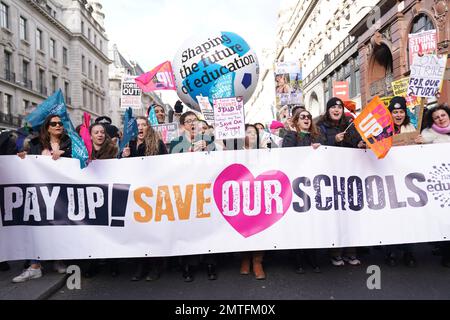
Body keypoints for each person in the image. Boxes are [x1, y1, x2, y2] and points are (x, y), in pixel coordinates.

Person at [13, 115, 71, 283]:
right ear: (47, 127)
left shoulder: (69, 142)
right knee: (36, 227)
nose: (58, 125)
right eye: (54, 123)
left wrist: (64, 154)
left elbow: (79, 159)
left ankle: (58, 260)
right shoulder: (35, 144)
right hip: (39, 193)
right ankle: (34, 266)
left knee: (59, 226)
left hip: (62, 194)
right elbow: (29, 162)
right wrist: (24, 157)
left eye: (60, 123)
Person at [317, 97, 365, 267]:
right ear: (328, 110)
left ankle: (351, 252)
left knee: (352, 214)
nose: (337, 110)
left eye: (339, 107)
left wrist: (360, 143)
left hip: (350, 175)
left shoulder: (350, 124)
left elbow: (356, 141)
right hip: (332, 176)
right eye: (333, 107)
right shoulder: (320, 126)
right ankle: (336, 253)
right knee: (336, 215)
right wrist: (332, 141)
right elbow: (318, 146)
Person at [170, 112, 217, 282]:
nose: (191, 124)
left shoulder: (208, 140)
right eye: (188, 121)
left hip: (206, 189)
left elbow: (218, 162)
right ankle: (188, 264)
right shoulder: (176, 142)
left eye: (194, 121)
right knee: (188, 228)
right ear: (182, 125)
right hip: (186, 190)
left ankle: (210, 263)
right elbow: (171, 166)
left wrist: (208, 149)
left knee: (207, 226)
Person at [121, 116, 168, 281]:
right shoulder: (128, 144)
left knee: (153, 231)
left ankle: (156, 266)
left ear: (148, 127)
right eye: (137, 125)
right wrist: (124, 156)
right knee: (138, 233)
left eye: (143, 124)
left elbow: (166, 167)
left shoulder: (158, 144)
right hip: (134, 196)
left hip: (152, 194)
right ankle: (141, 265)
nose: (140, 127)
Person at [282, 110, 324, 273]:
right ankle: (297, 257)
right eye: (302, 117)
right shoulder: (291, 135)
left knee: (311, 222)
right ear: (296, 121)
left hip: (312, 183)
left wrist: (320, 149)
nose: (306, 119)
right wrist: (292, 133)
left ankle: (311, 256)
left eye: (308, 117)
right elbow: (287, 153)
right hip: (295, 184)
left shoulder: (317, 136)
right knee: (297, 222)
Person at [224, 125, 267, 280]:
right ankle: (245, 258)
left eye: (254, 132)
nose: (252, 134)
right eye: (248, 132)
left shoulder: (265, 151)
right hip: (241, 194)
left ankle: (257, 261)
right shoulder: (234, 152)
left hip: (260, 193)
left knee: (259, 227)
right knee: (244, 226)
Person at [383, 97, 418, 267]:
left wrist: (420, 144)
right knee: (391, 217)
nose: (398, 114)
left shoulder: (411, 128)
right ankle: (390, 251)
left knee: (408, 218)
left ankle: (408, 252)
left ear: (405, 113)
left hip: (407, 180)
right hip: (388, 179)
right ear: (390, 113)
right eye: (395, 111)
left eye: (401, 111)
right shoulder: (383, 130)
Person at [83, 123, 120, 278]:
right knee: (92, 231)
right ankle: (93, 263)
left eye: (102, 132)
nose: (100, 135)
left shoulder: (113, 150)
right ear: (90, 135)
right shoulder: (83, 151)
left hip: (109, 194)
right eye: (96, 132)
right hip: (89, 196)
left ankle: (113, 264)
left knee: (110, 230)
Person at [416, 105, 450, 267]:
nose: (441, 119)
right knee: (444, 219)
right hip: (439, 183)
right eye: (437, 117)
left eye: (443, 115)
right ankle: (446, 253)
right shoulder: (427, 135)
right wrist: (419, 146)